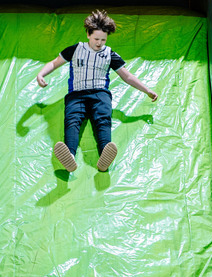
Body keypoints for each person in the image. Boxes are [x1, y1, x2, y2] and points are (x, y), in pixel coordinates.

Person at [35, 10, 158, 172]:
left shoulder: (109, 54)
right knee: (72, 120)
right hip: (77, 94)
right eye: (96, 39)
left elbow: (127, 76)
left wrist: (146, 90)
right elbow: (54, 63)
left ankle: (104, 156)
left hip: (100, 94)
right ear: (88, 34)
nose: (99, 43)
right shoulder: (75, 50)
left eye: (103, 40)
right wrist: (41, 74)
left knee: (103, 120)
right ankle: (70, 155)